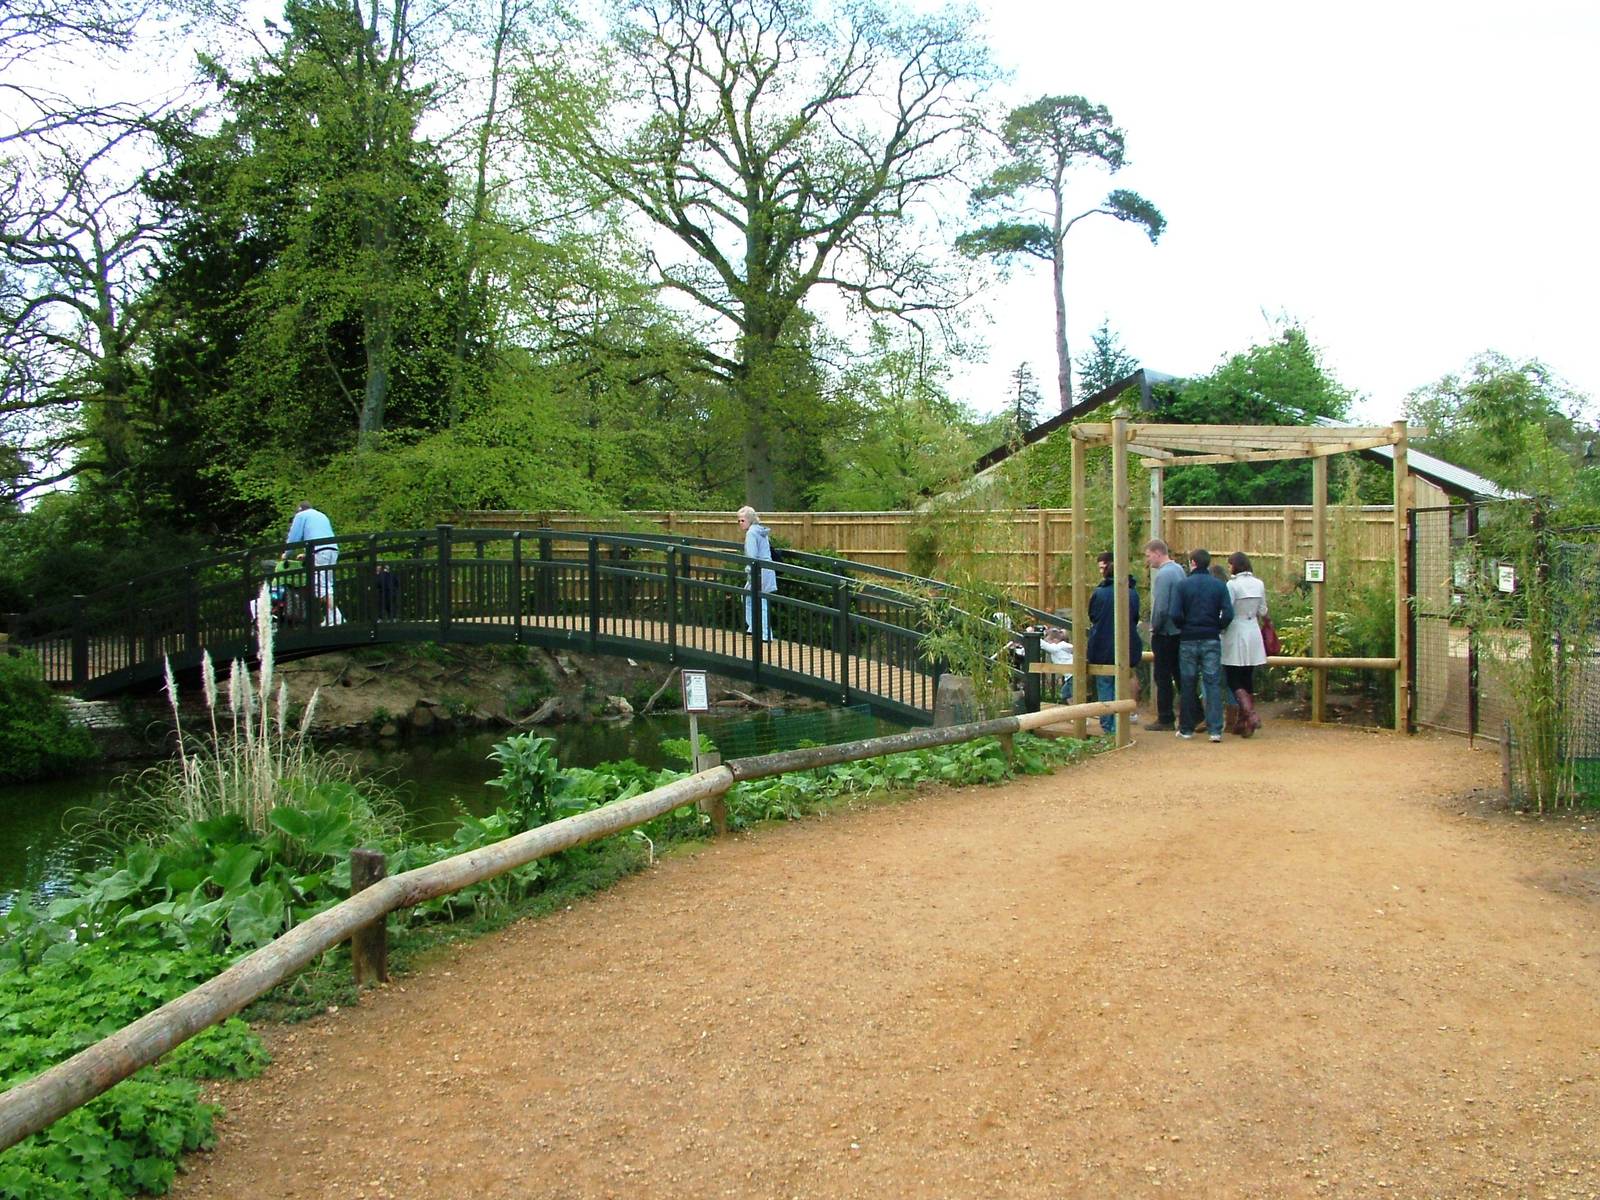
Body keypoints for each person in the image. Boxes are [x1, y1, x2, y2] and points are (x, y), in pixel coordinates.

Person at [1174, 547, 1234, 742]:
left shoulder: (1182, 586)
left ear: (1192, 563)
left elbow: (1174, 613)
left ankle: (1186, 728)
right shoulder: (1218, 586)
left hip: (1188, 639)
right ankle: (1215, 729)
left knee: (1188, 683)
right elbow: (1228, 613)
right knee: (1213, 683)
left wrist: (1184, 626)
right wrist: (1217, 626)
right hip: (1211, 637)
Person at [1087, 551, 1142, 736]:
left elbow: (1093, 616)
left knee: (1105, 684)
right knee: (1124, 681)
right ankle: (1122, 720)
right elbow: (1135, 618)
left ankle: (1109, 726)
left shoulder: (1099, 593)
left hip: (1101, 645)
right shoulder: (1132, 594)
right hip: (1127, 646)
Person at [1222, 551, 1268, 737]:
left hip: (1236, 630)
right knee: (1248, 674)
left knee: (1233, 675)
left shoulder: (1232, 585)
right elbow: (1263, 610)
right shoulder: (1259, 584)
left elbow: (1227, 609)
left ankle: (1250, 714)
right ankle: (1245, 721)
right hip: (1253, 630)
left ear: (1235, 565)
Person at [1143, 538, 1186, 731]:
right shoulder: (1179, 570)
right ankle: (1191, 714)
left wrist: (1155, 626)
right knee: (1180, 675)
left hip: (1166, 632)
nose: (1148, 560)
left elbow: (1160, 607)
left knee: (1162, 676)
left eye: (1149, 555)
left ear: (1158, 553)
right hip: (1180, 630)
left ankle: (1165, 716)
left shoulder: (1163, 575)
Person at [284, 501, 342, 626]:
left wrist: (286, 554)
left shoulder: (301, 516)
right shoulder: (321, 515)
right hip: (332, 550)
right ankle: (332, 617)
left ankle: (337, 616)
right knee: (327, 584)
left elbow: (294, 538)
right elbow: (318, 534)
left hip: (320, 550)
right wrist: (307, 555)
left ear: (299, 510)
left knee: (321, 587)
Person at [737, 505, 776, 641]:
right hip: (766, 569)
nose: (740, 523)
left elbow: (752, 556)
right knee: (748, 597)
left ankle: (765, 634)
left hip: (759, 571)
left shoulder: (751, 533)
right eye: (739, 521)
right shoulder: (760, 531)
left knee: (761, 601)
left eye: (742, 520)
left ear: (749, 520)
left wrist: (750, 573)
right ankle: (754, 627)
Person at [1040, 625, 1074, 703]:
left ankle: (1079, 711)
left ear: (1055, 640)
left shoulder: (1058, 647)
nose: (1047, 643)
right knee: (1065, 693)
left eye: (1048, 641)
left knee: (1075, 695)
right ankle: (1073, 708)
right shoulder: (1062, 646)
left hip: (1072, 675)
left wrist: (1037, 639)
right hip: (1069, 676)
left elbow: (1047, 647)